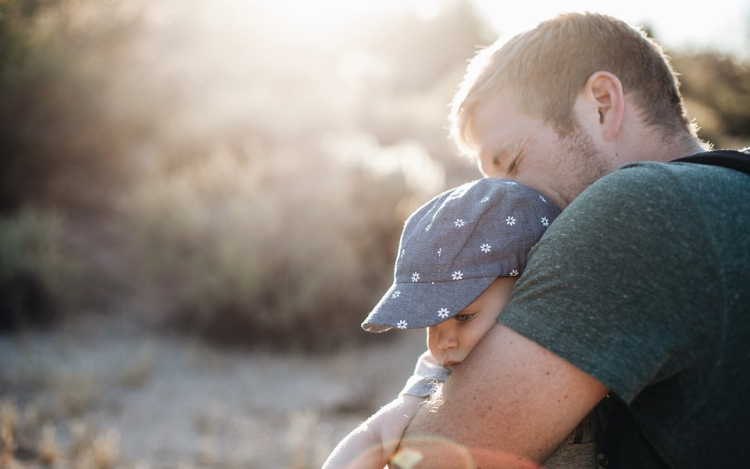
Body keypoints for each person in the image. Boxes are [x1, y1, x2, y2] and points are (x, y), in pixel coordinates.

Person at [392, 11, 750, 469]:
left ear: (602, 103)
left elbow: (431, 463)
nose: (501, 201)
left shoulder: (633, 209)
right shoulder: (728, 193)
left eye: (511, 161)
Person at [322, 178, 601, 469]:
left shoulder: (577, 342)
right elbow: (376, 434)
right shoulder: (441, 375)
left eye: (463, 317)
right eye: (431, 324)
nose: (444, 341)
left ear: (528, 291)